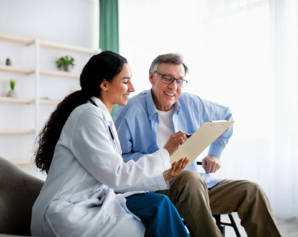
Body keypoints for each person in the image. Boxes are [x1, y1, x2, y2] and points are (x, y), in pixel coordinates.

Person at [114, 53, 282, 237]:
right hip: (156, 186)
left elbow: (226, 117)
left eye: (179, 80)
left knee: (251, 191)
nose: (174, 87)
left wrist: (214, 153)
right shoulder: (129, 110)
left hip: (197, 187)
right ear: (151, 77)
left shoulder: (192, 103)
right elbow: (118, 161)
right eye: (167, 78)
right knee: (189, 177)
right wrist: (163, 156)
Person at [31, 51, 190, 237]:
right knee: (147, 223)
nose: (132, 88)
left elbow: (114, 178)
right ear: (104, 84)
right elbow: (117, 177)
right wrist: (165, 153)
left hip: (92, 202)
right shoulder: (87, 115)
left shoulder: (102, 117)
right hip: (65, 212)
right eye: (125, 81)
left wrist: (162, 176)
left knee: (160, 206)